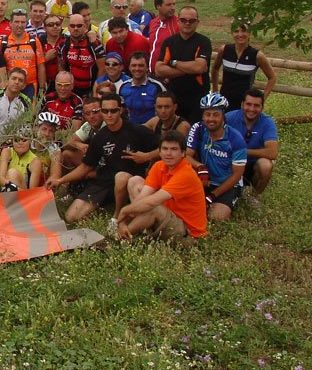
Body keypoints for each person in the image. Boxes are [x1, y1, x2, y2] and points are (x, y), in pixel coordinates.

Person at [48, 93, 157, 224]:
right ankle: (103, 203)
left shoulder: (137, 130)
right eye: (105, 111)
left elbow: (165, 148)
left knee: (121, 177)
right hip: (105, 180)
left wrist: (146, 156)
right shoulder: (100, 137)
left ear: (120, 110)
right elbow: (85, 167)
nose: (109, 115)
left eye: (113, 110)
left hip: (130, 181)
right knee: (71, 217)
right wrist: (60, 180)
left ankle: (117, 218)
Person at [115, 131, 207, 242]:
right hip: (168, 218)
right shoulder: (159, 166)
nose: (168, 153)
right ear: (159, 151)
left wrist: (124, 211)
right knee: (135, 182)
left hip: (187, 232)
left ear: (183, 153)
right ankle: (138, 231)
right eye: (165, 149)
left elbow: (151, 202)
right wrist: (123, 221)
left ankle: (119, 239)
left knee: (153, 207)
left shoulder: (186, 174)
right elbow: (143, 197)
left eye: (174, 149)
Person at [186, 92, 247, 221]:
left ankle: (236, 198)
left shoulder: (235, 138)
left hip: (227, 184)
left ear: (223, 116)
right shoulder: (198, 128)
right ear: (202, 116)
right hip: (203, 180)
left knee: (216, 218)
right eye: (207, 114)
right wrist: (200, 167)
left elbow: (237, 175)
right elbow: (186, 156)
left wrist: (213, 195)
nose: (211, 119)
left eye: (216, 114)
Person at [154, 5, 212, 125]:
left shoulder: (204, 42)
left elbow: (200, 67)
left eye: (192, 21)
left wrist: (173, 63)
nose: (187, 23)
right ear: (178, 21)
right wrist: (190, 69)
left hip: (198, 99)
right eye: (183, 20)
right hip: (175, 100)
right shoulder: (169, 42)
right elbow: (159, 70)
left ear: (197, 22)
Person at [211, 18, 277, 111]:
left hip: (244, 107)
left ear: (249, 33)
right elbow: (215, 69)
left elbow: (272, 77)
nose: (240, 35)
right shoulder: (225, 50)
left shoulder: (257, 55)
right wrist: (215, 91)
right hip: (223, 103)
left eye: (244, 31)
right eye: (236, 31)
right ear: (232, 33)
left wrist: (261, 100)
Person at [225, 88, 279, 198]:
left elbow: (273, 153)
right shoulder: (229, 118)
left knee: (266, 166)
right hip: (230, 163)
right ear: (242, 105)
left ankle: (254, 197)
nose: (251, 109)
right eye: (248, 104)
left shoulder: (268, 122)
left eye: (256, 105)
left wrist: (242, 151)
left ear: (262, 107)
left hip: (252, 164)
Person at [58, 14, 106, 98]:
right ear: (68, 27)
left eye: (79, 26)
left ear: (84, 27)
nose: (75, 28)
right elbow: (61, 68)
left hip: (90, 89)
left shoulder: (94, 44)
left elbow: (102, 69)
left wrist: (95, 91)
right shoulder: (63, 46)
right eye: (73, 26)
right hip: (71, 90)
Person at [2, 9, 46, 99]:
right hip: (10, 86)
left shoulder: (34, 41)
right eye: (16, 22)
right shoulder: (3, 42)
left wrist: (42, 88)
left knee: (29, 112)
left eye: (23, 22)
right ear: (10, 23)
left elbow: (41, 66)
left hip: (30, 86)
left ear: (26, 23)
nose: (20, 25)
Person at [0, 68, 33, 148]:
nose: (17, 82)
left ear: (24, 86)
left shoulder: (26, 102)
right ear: (7, 81)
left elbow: (27, 126)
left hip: (13, 146)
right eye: (14, 78)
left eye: (20, 80)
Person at [117, 52, 166, 125]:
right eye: (134, 65)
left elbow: (165, 112)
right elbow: (120, 112)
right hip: (131, 130)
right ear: (129, 68)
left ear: (147, 68)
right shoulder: (122, 87)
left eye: (141, 65)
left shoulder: (157, 86)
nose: (137, 69)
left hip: (153, 131)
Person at [147, 0, 180, 71]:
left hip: (167, 74)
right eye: (168, 5)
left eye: (174, 4)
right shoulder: (153, 22)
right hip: (151, 73)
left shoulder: (178, 23)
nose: (172, 8)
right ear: (158, 6)